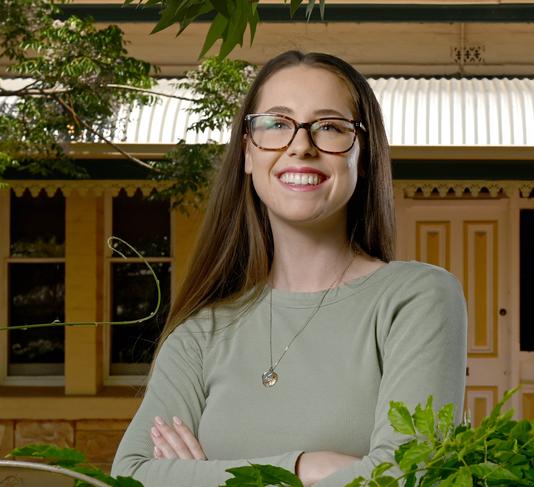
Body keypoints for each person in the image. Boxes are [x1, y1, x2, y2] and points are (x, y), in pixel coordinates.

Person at [111, 50, 467, 487]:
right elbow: (131, 476)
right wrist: (301, 467)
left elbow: (404, 476)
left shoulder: (416, 299)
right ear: (247, 153)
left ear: (364, 155)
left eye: (330, 127)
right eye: (277, 124)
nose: (301, 145)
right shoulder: (199, 335)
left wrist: (200, 476)